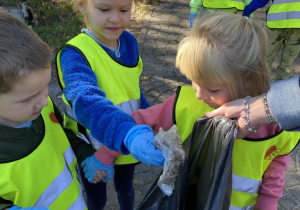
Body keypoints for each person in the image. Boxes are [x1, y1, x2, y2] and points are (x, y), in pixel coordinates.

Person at [131, 13, 300, 210]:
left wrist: (267, 202)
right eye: (194, 81)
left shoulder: (278, 122)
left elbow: (276, 164)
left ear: (247, 79)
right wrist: (124, 142)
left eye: (213, 89)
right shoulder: (185, 104)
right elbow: (134, 122)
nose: (199, 95)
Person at [56, 0, 164, 210]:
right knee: (97, 198)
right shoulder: (74, 54)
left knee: (126, 189)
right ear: (81, 5)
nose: (116, 18)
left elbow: (132, 87)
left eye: (124, 10)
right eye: (104, 9)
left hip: (126, 142)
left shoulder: (130, 42)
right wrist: (126, 133)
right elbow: (85, 100)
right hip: (93, 147)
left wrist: (152, 117)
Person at [0, 9, 100, 210]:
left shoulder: (40, 108)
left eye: (45, 86)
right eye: (28, 98)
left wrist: (85, 153)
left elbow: (60, 134)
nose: (44, 102)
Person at [206, 75, 300, 138]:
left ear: (247, 81)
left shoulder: (280, 125)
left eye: (213, 90)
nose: (198, 95)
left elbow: (280, 156)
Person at [243, 0, 300, 80]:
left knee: (266, 59)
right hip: (293, 25)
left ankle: (264, 87)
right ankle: (278, 86)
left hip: (277, 22)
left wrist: (248, 10)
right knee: (286, 63)